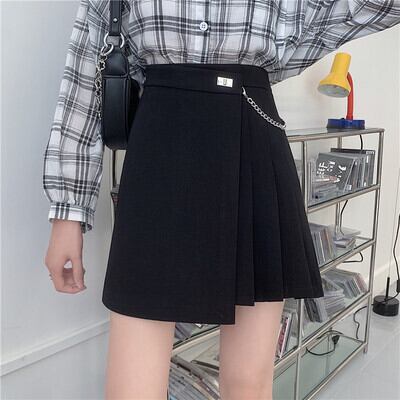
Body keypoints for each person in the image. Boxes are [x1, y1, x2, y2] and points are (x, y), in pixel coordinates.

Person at [42, 1, 400, 399]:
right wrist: (68, 211)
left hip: (253, 140)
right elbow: (85, 76)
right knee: (132, 389)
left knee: (249, 383)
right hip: (160, 151)